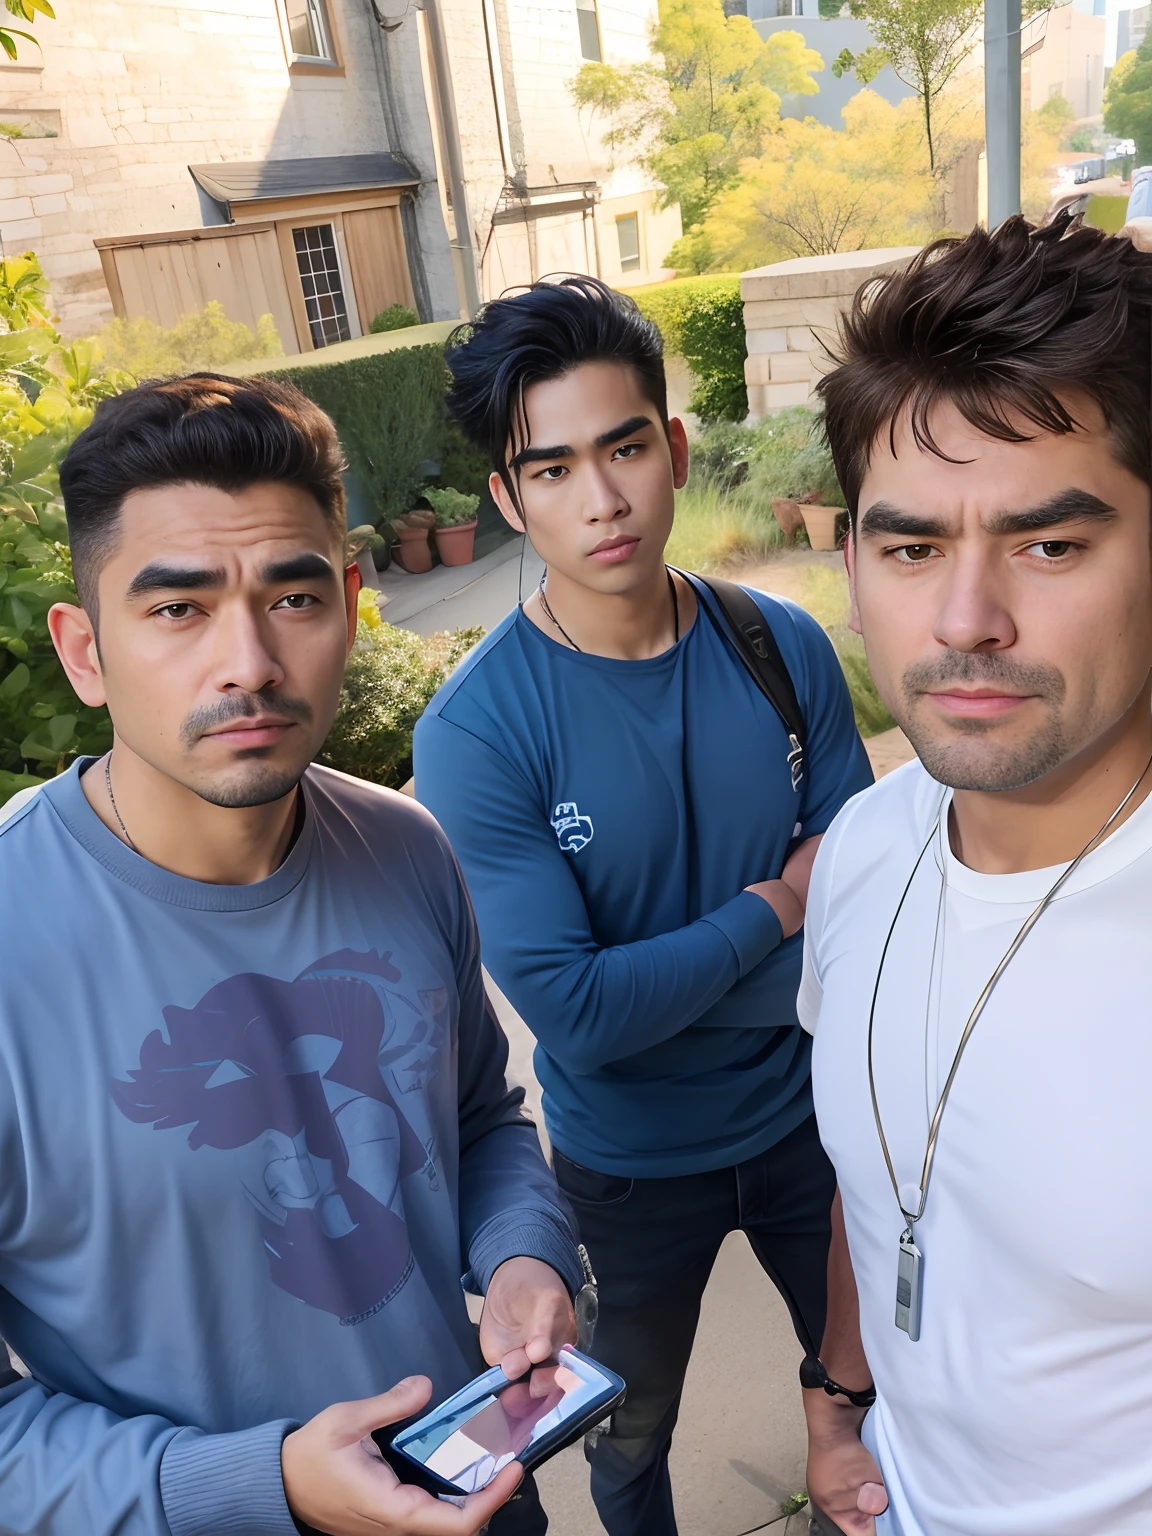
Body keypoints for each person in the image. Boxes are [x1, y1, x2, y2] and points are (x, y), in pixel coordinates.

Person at [0, 373, 584, 1536]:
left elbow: (476, 1118)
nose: (250, 662)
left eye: (293, 596)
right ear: (83, 649)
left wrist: (524, 1252)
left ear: (353, 602)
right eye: (177, 610)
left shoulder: (406, 844)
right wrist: (259, 1485)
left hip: (479, 1501)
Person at [413, 276, 873, 1536]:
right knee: (632, 1434)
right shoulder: (477, 732)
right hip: (628, 1166)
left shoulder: (779, 647)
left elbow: (868, 909)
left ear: (672, 448)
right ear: (507, 501)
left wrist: (702, 960)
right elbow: (577, 1012)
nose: (602, 499)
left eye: (623, 447)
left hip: (811, 1129)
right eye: (551, 469)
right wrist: (776, 906)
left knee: (881, 1385)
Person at [799, 214, 1152, 1536]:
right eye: (910, 549)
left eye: (1049, 545)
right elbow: (880, 1169)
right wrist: (837, 1399)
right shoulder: (867, 850)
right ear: (849, 563)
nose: (965, 622)